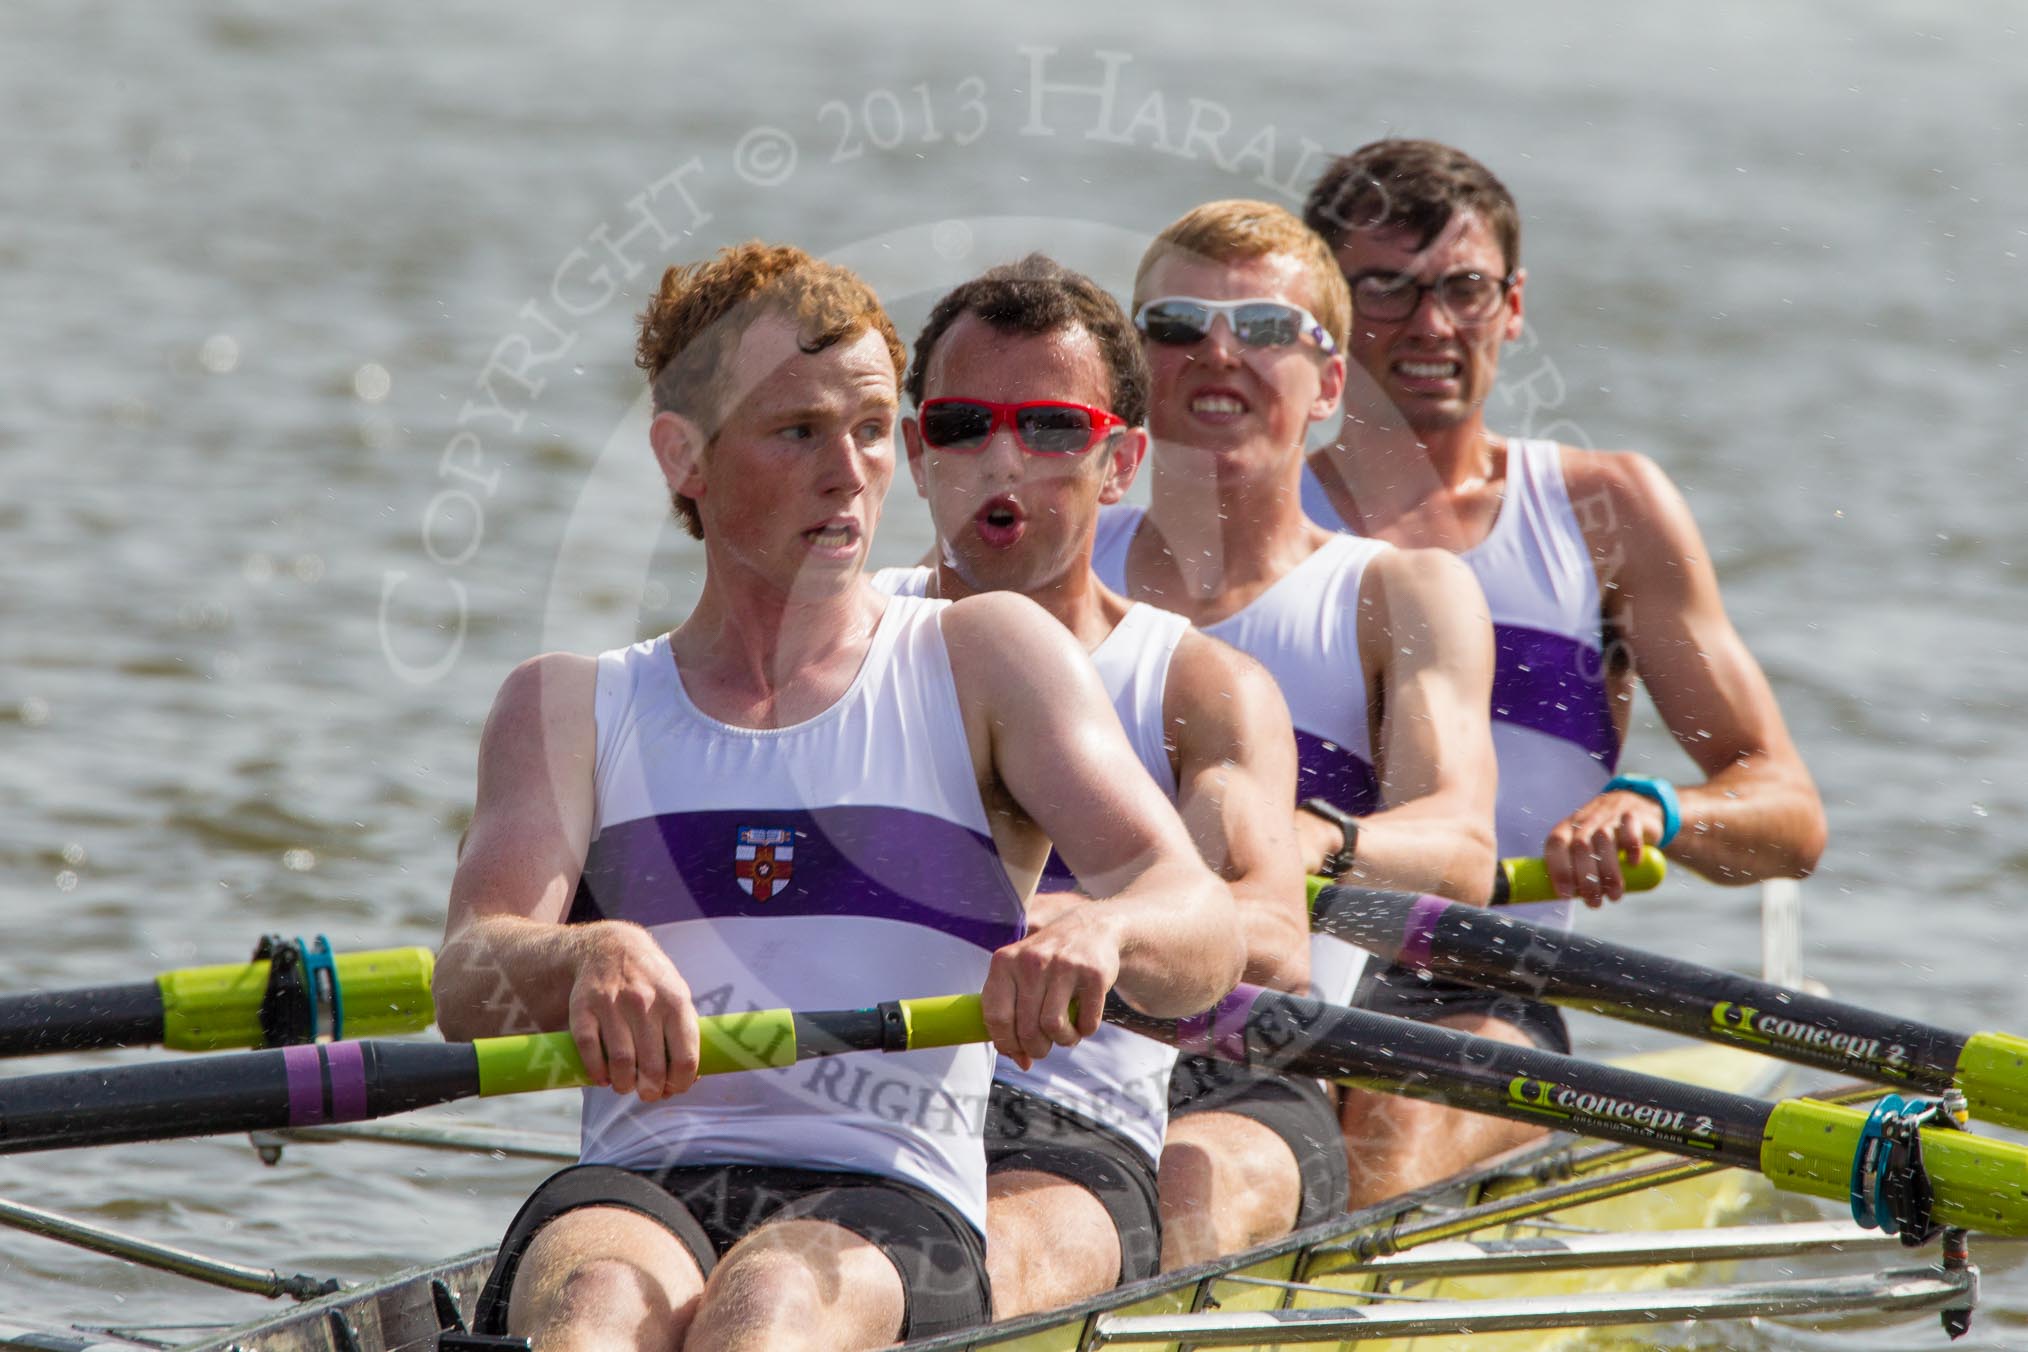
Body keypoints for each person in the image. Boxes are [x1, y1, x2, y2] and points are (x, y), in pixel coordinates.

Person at [432, 242, 1244, 1351]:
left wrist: (1105, 930)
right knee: (596, 1313)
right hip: (639, 1184)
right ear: (686, 457)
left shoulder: (986, 658)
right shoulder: (567, 705)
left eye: (869, 428)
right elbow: (471, 975)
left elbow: (1198, 923)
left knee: (768, 1306)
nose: (850, 468)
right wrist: (582, 952)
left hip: (892, 1191)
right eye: (797, 430)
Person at [1299, 139, 1828, 1206]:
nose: (1434, 326)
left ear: (1514, 304)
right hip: (1273, 962)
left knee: (1386, 1125)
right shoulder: (1247, 514)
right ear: (1324, 312)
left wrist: (1659, 811)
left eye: (1464, 289)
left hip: (1487, 983)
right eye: (1388, 291)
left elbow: (1788, 810)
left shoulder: (1606, 513)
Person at [874, 254, 1307, 1311]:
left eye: (1054, 428)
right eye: (964, 424)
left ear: (1121, 462)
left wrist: (1098, 925)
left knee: (938, 1278)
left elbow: (1274, 929)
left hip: (1065, 1124)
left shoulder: (1196, 686)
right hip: (844, 1100)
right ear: (914, 450)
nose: (1003, 458)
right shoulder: (829, 645)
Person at [1098, 200, 1500, 1265]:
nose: (1218, 350)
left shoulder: (1399, 593)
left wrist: (1315, 836)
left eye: (1268, 330)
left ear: (1329, 385)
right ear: (1135, 367)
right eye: (1178, 324)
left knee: (1186, 1181)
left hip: (1260, 1051)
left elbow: (1463, 847)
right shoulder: (1038, 570)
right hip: (1045, 1032)